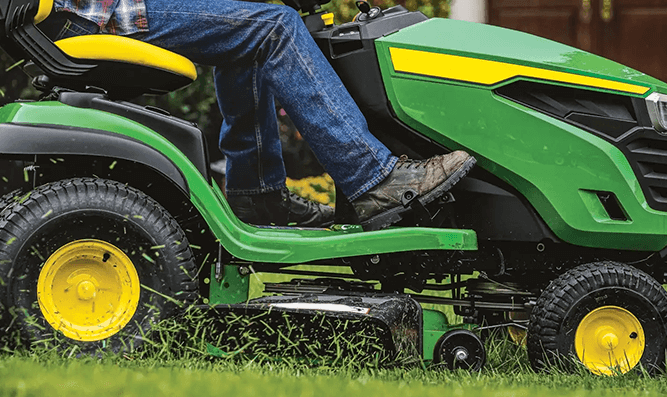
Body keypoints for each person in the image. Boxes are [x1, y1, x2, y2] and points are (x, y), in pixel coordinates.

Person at [39, 0, 475, 230]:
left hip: (88, 10)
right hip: (97, 12)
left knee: (246, 32)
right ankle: (374, 180)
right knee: (276, 26)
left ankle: (257, 192)